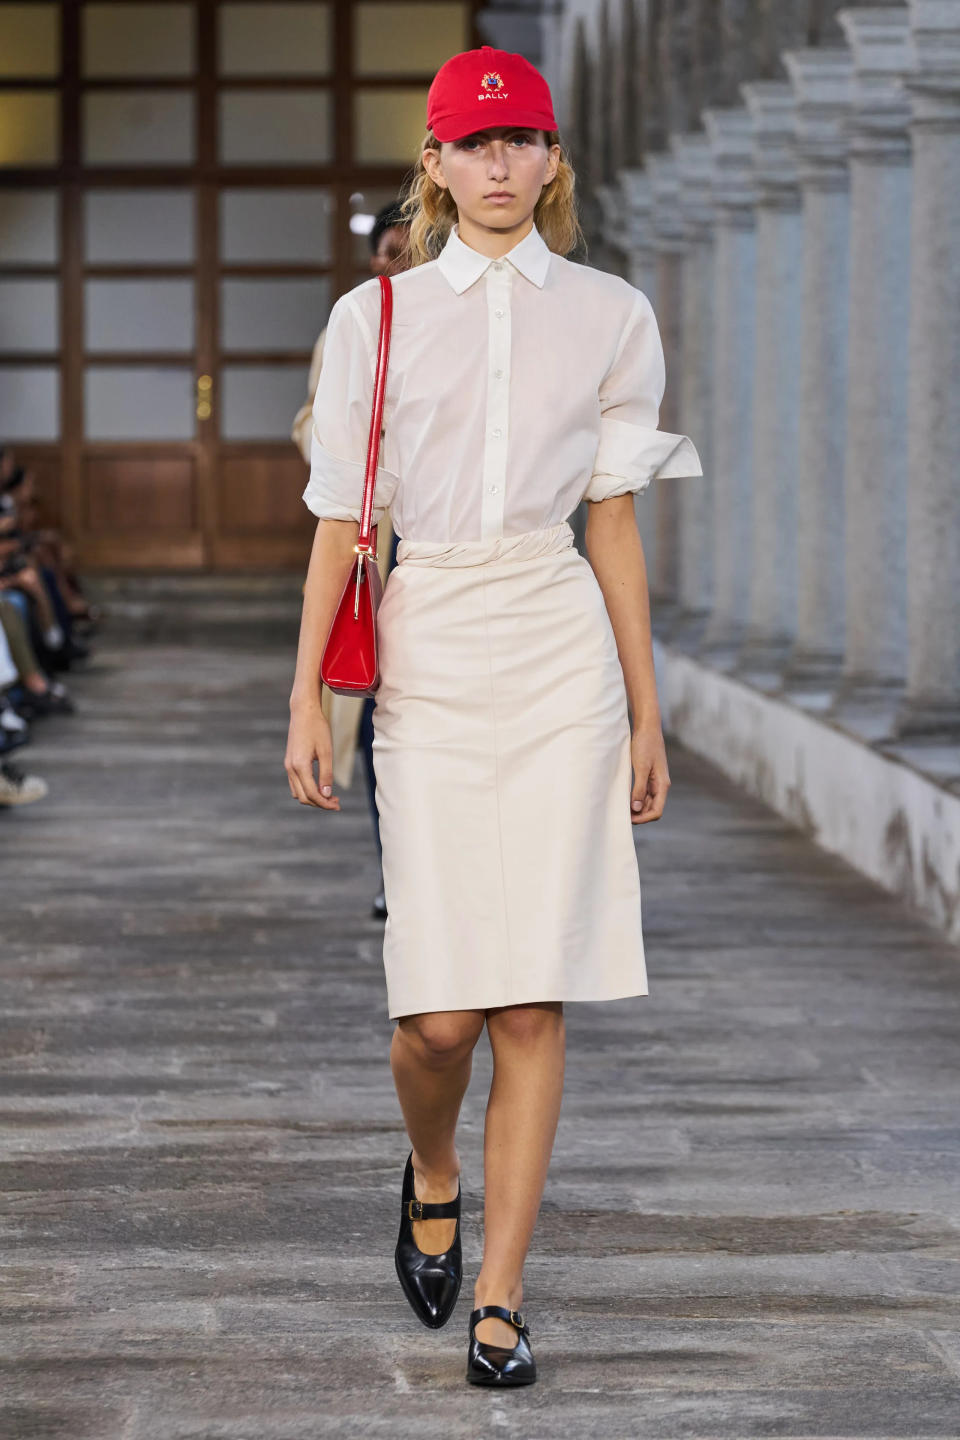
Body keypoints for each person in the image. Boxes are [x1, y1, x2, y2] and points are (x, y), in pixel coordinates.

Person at [284, 44, 703, 1388]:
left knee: (531, 997)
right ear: (437, 162)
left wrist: (647, 711)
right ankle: (430, 1166)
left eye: (522, 140)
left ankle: (505, 1296)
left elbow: (616, 526)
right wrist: (308, 700)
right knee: (440, 1020)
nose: (500, 165)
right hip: (430, 653)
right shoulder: (375, 320)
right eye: (474, 144)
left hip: (557, 645)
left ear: (554, 156)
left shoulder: (612, 313)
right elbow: (346, 526)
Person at [291, 204, 412, 918]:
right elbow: (310, 427)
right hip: (371, 554)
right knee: (374, 723)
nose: (396, 262)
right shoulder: (353, 327)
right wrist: (367, 441)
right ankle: (393, 868)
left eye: (410, 250)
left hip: (440, 552)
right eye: (388, 251)